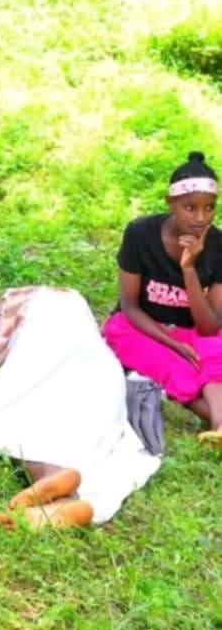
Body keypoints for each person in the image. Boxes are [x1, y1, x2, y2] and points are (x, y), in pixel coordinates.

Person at [0, 287, 161, 528]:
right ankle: (62, 498)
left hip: (50, 360)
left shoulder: (20, 303)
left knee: (7, 422)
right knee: (79, 437)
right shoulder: (84, 324)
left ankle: (54, 480)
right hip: (103, 374)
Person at [103, 151, 222, 446]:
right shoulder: (140, 234)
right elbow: (130, 306)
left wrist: (189, 269)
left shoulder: (219, 245)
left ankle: (219, 424)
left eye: (209, 208)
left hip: (194, 332)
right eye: (190, 208)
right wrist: (174, 344)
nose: (200, 218)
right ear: (171, 203)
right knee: (176, 366)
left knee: (213, 353)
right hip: (142, 328)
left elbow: (210, 327)